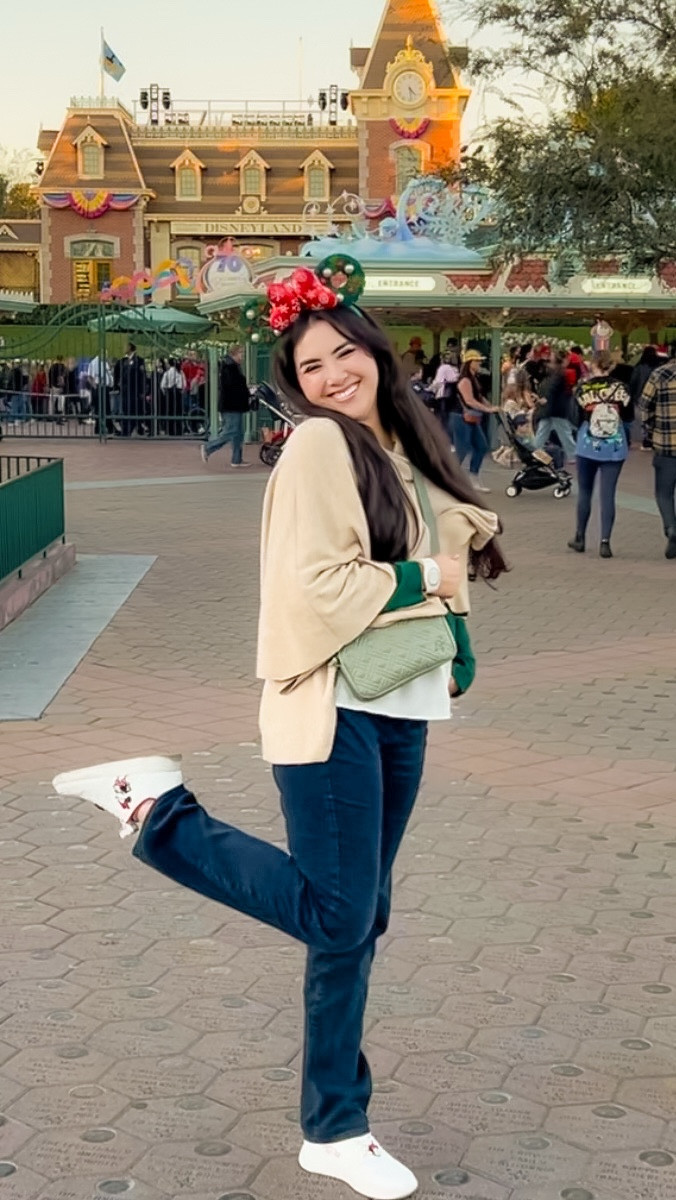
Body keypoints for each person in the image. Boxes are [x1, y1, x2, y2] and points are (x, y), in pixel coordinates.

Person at [52, 269, 507, 1200]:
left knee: (357, 924)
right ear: (295, 382)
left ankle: (333, 1130)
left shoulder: (393, 442)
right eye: (313, 364)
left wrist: (450, 592)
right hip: (334, 704)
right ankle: (159, 812)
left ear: (375, 351)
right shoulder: (317, 450)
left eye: (346, 352)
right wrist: (430, 581)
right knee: (341, 913)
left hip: (399, 708)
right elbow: (318, 591)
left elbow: (438, 544)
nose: (336, 373)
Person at [568, 350, 632, 558]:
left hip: (587, 443)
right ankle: (605, 541)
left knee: (585, 491)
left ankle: (580, 536)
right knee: (608, 494)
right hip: (614, 444)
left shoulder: (583, 387)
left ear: (593, 364)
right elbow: (629, 416)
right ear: (611, 366)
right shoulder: (622, 387)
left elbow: (574, 416)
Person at [640, 339, 676, 559]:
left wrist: (651, 428)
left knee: (663, 492)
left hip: (665, 445)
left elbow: (644, 405)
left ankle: (671, 528)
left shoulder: (659, 374)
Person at [451, 349, 499, 492]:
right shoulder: (465, 380)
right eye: (476, 361)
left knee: (481, 446)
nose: (479, 363)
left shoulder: (473, 378)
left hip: (472, 417)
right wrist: (487, 409)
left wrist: (490, 405)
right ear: (469, 362)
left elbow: (479, 396)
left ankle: (473, 477)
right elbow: (469, 400)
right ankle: (449, 477)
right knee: (462, 449)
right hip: (461, 417)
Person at [201, 344, 250, 467]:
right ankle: (208, 448)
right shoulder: (229, 367)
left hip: (234, 404)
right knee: (231, 431)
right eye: (240, 353)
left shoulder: (233, 366)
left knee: (238, 433)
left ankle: (236, 459)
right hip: (231, 405)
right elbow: (232, 386)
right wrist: (244, 391)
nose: (242, 356)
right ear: (234, 354)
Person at [533, 350, 577, 461]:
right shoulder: (561, 373)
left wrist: (544, 398)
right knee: (564, 432)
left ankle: (534, 452)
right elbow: (553, 388)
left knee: (543, 431)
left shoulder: (551, 372)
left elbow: (548, 387)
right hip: (557, 408)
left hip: (549, 407)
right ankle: (573, 455)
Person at [631, 346, 660, 451]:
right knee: (656, 418)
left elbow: (633, 382)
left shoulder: (639, 367)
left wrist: (632, 394)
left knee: (643, 419)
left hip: (640, 396)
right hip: (656, 396)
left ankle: (646, 440)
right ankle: (654, 438)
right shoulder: (658, 368)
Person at [119, 343, 147, 437]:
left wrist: (143, 391)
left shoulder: (139, 360)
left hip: (135, 390)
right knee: (125, 409)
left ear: (130, 347)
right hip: (125, 390)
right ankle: (126, 430)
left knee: (133, 409)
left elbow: (142, 377)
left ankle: (131, 429)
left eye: (125, 346)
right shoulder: (123, 360)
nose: (124, 348)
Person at [160, 357, 186, 435]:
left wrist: (165, 393)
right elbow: (184, 384)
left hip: (169, 393)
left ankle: (170, 430)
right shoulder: (180, 372)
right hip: (178, 393)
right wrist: (182, 391)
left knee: (170, 412)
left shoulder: (167, 373)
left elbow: (162, 385)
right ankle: (179, 430)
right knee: (178, 412)